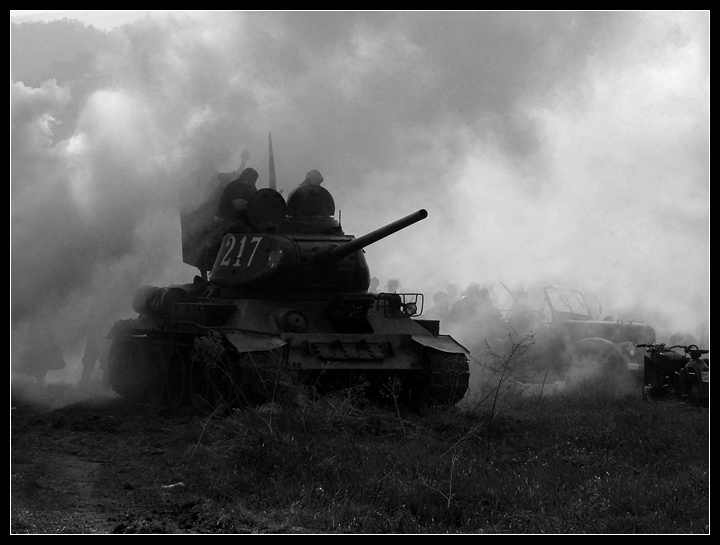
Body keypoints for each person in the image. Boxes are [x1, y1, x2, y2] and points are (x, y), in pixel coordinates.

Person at [214, 167, 259, 232]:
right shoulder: (235, 186)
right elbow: (239, 205)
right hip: (225, 218)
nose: (254, 182)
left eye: (255, 180)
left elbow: (257, 198)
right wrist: (256, 205)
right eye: (253, 179)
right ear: (246, 177)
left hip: (237, 217)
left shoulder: (251, 188)